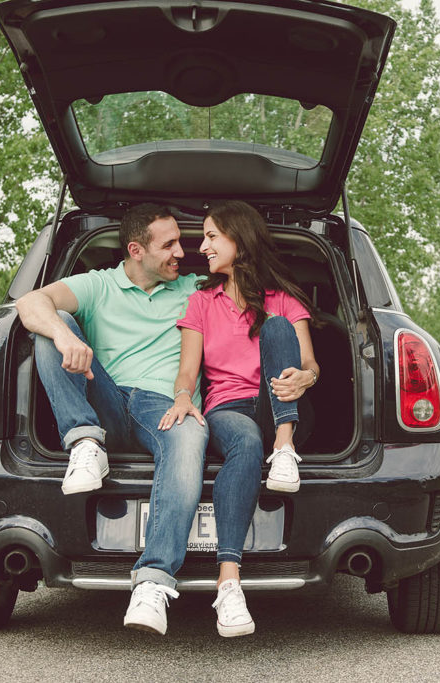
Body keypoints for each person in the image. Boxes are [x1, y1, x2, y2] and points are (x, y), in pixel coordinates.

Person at [15, 203, 207, 637]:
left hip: (167, 407)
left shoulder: (195, 288)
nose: (182, 252)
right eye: (169, 245)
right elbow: (30, 302)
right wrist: (64, 335)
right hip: (107, 402)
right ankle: (85, 442)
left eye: (180, 242)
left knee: (191, 439)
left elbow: (255, 295)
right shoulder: (99, 285)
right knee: (54, 324)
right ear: (136, 250)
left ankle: (153, 582)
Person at [161, 200, 320, 637]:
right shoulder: (201, 301)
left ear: (239, 239)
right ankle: (228, 583)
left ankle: (284, 447)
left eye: (211, 236)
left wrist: (304, 378)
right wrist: (181, 396)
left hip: (281, 405)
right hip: (227, 409)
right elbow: (188, 371)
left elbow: (310, 363)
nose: (202, 247)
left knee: (277, 328)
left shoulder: (283, 299)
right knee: (246, 443)